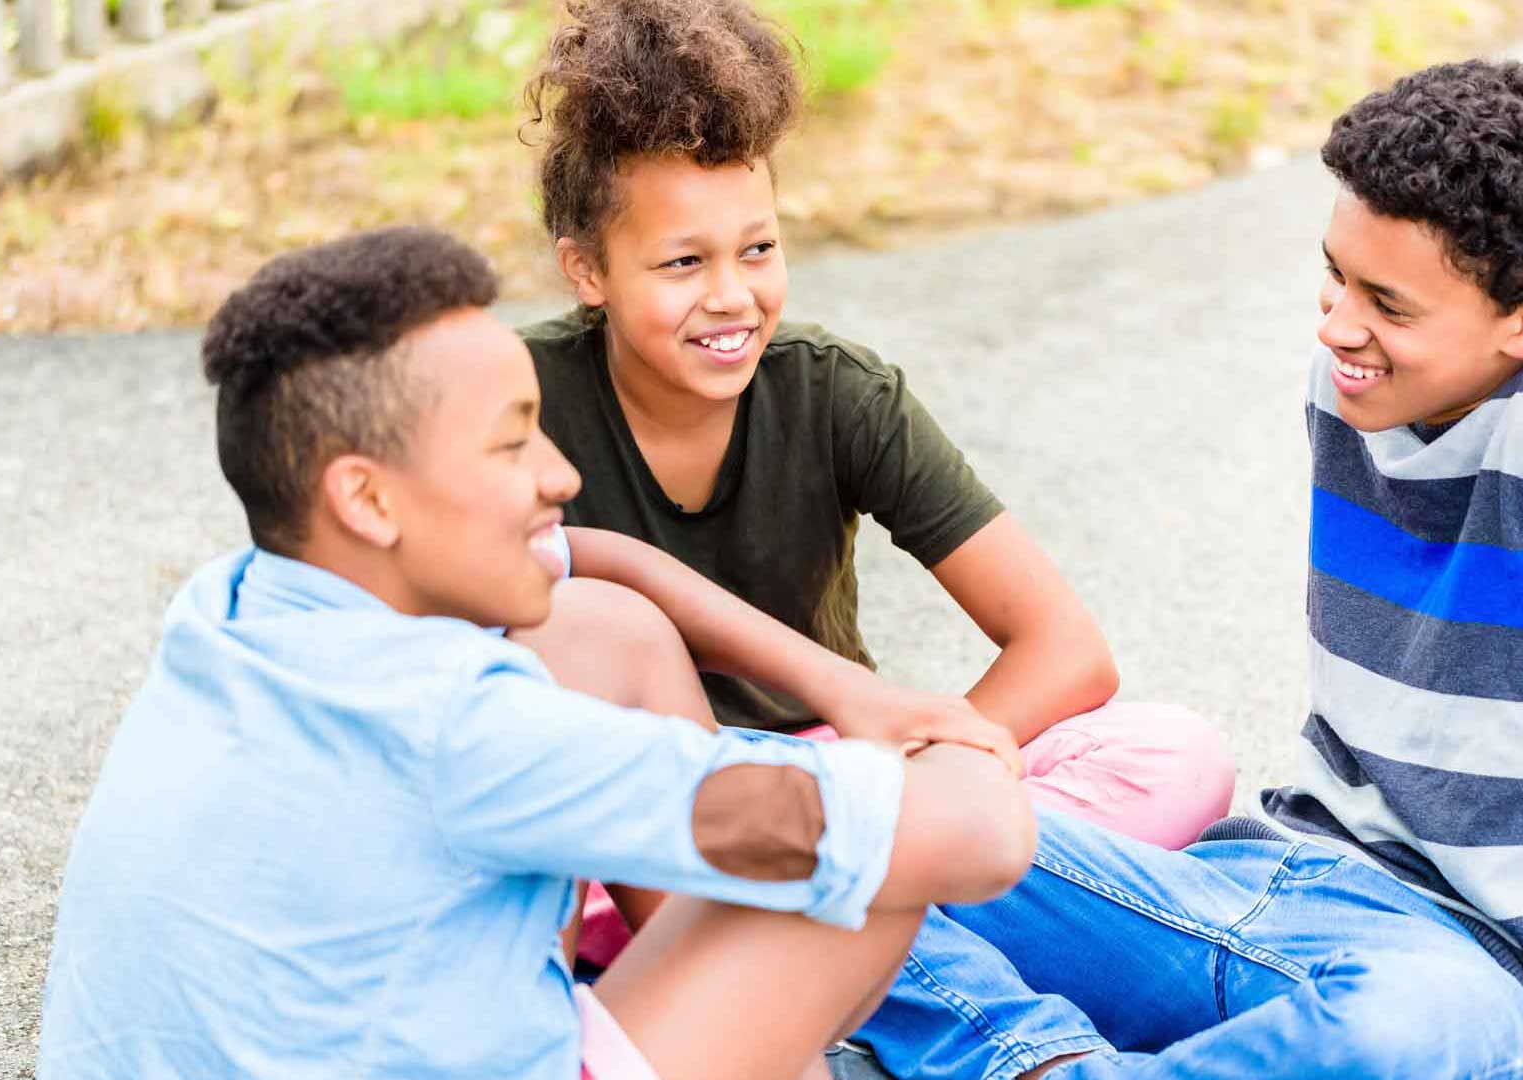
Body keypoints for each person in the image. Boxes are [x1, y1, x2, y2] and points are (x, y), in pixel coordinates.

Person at [838, 58, 1523, 1080]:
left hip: (1469, 967)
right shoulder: (1351, 384)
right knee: (852, 825)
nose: (1338, 326)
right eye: (1335, 276)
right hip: (1257, 887)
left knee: (1384, 1043)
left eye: (1389, 304)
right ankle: (1037, 1060)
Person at [35, 226, 1040, 1080]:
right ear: (368, 498)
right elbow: (977, 837)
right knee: (873, 858)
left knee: (599, 627)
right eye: (513, 442)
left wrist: (839, 687)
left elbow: (590, 566)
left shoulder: (230, 610)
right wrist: (943, 754)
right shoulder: (465, 727)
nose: (559, 474)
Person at [513, 0, 1236, 961]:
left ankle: (839, 931)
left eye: (758, 249)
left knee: (1173, 757)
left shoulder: (835, 391)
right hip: (650, 821)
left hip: (839, 773)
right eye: (684, 262)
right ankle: (895, 926)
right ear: (587, 270)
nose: (732, 296)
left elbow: (1067, 651)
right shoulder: (512, 403)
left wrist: (907, 778)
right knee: (526, 858)